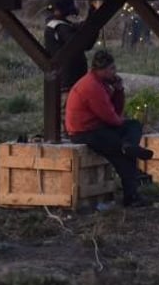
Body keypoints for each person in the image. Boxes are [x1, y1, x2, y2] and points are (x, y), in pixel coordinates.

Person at [65, 49, 154, 208]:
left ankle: (128, 145)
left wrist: (119, 90)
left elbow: (115, 111)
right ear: (102, 70)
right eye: (112, 69)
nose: (115, 72)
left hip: (98, 126)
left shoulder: (101, 83)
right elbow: (110, 117)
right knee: (122, 156)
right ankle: (131, 196)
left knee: (133, 125)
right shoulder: (92, 87)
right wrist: (121, 128)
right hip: (85, 132)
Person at [43, 0, 95, 91]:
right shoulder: (59, 27)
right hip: (68, 82)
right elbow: (83, 44)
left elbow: (85, 39)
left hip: (68, 80)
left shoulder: (59, 26)